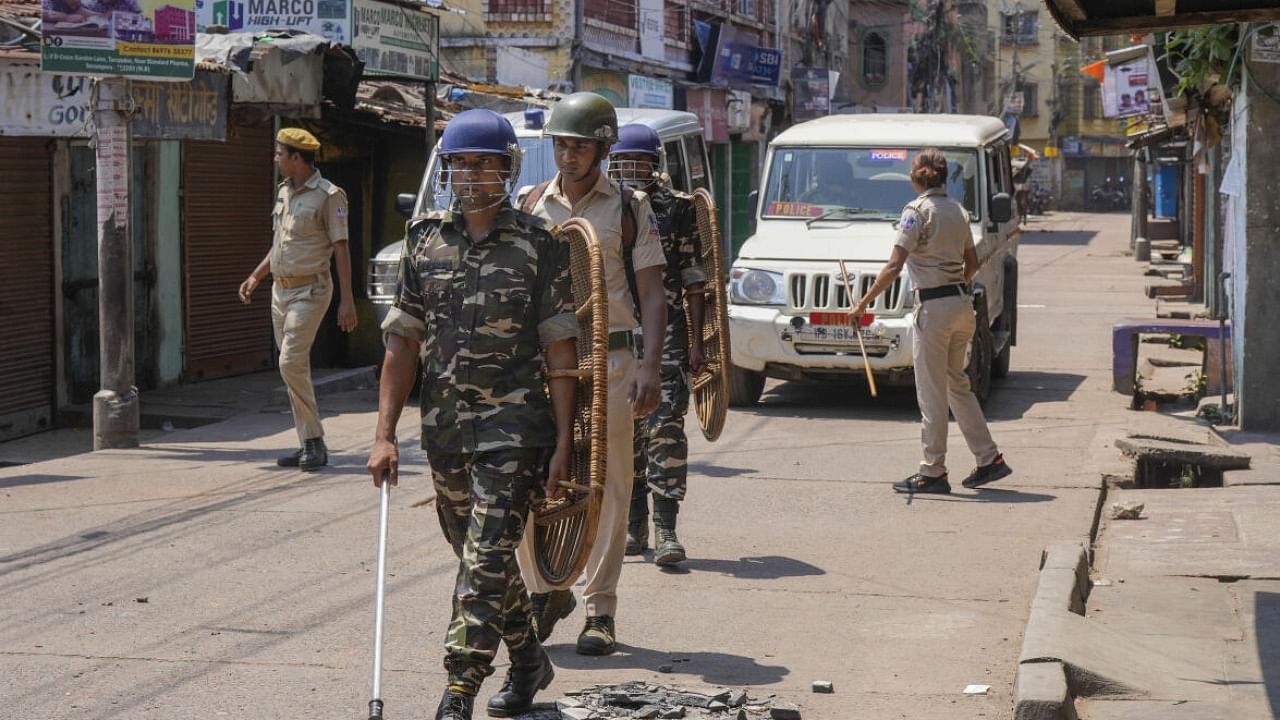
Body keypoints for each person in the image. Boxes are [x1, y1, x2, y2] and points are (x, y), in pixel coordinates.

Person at [365, 109, 579, 720]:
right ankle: (531, 659)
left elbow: (561, 351)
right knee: (477, 556)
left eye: (488, 162)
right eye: (463, 163)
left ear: (509, 170)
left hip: (517, 430)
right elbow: (401, 343)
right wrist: (383, 437)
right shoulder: (423, 240)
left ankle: (458, 690)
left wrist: (564, 443)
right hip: (445, 431)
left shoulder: (540, 244)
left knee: (484, 561)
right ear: (448, 171)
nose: (475, 174)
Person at [513, 92, 667, 656]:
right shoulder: (530, 204)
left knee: (608, 481)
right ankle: (540, 592)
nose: (568, 155)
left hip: (615, 360)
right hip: (545, 366)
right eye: (561, 144)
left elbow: (652, 295)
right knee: (532, 477)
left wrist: (650, 365)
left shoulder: (630, 208)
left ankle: (599, 608)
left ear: (603, 147)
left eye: (579, 145)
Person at [851, 149, 1012, 494]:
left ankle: (933, 470)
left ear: (917, 179)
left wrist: (862, 305)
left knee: (932, 394)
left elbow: (894, 266)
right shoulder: (957, 211)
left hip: (934, 311)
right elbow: (971, 265)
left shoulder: (916, 212)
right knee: (957, 385)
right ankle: (988, 458)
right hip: (961, 307)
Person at [607, 124, 707, 566]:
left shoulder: (679, 209)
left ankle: (666, 527)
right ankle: (634, 527)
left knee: (665, 430)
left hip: (665, 337)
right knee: (624, 436)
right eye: (623, 162)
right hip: (614, 337)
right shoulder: (602, 207)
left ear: (655, 164)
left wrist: (698, 341)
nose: (631, 169)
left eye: (639, 162)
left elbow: (695, 279)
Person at [238, 128, 357, 472]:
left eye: (279, 154)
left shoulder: (329, 196)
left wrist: (346, 301)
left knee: (289, 362)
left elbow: (341, 248)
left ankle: (314, 440)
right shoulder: (284, 193)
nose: (275, 159)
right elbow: (280, 245)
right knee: (294, 369)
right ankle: (308, 442)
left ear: (296, 158)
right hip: (281, 290)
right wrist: (256, 276)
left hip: (312, 290)